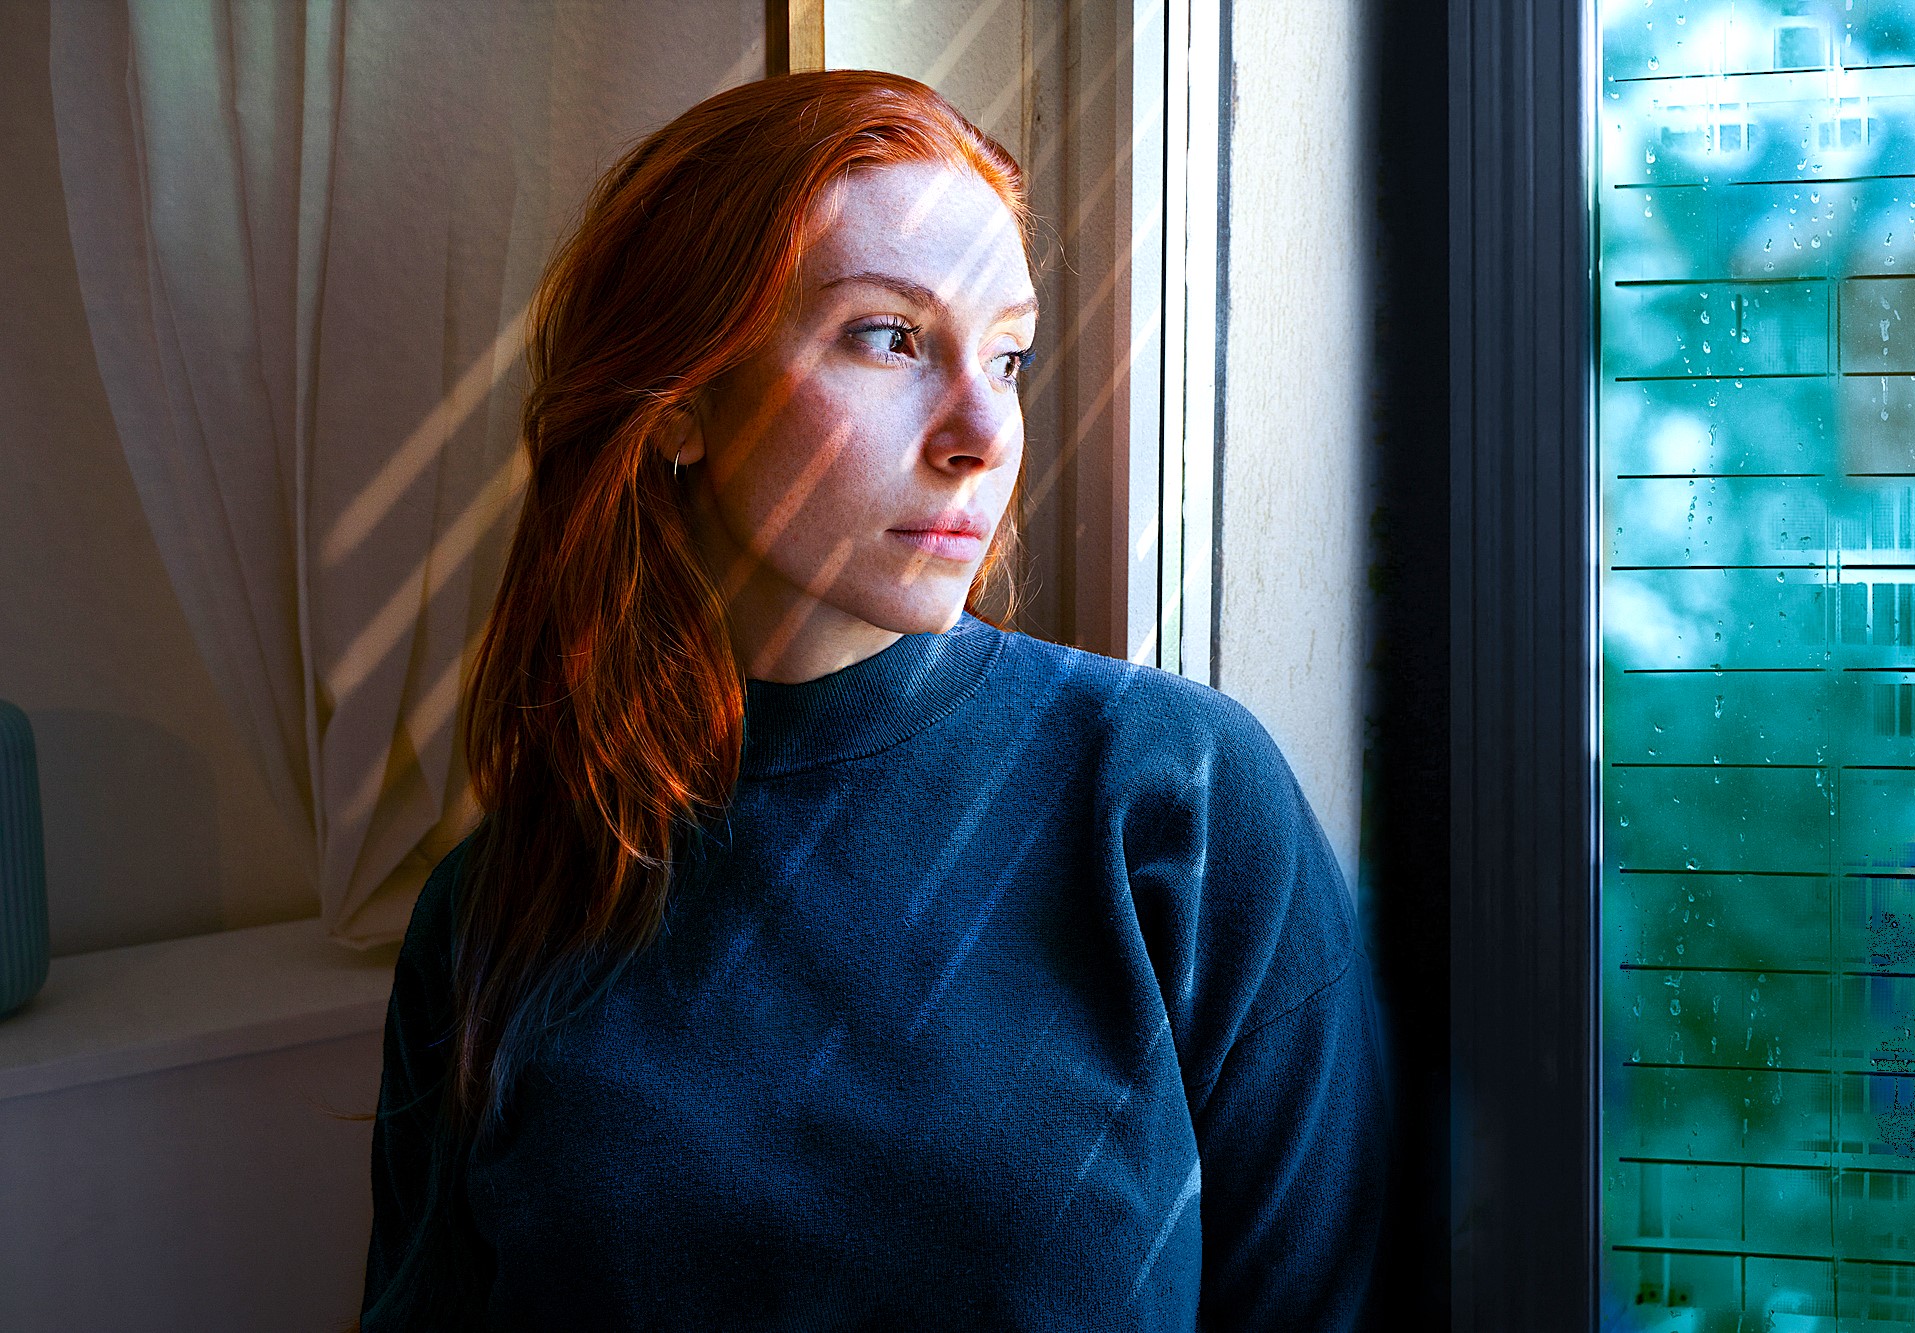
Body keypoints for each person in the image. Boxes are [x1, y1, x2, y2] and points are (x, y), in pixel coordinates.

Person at [361, 69, 1384, 1332]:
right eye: (889, 337)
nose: (981, 431)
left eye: (1005, 354)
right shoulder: (503, 905)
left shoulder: (1176, 803)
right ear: (680, 401)